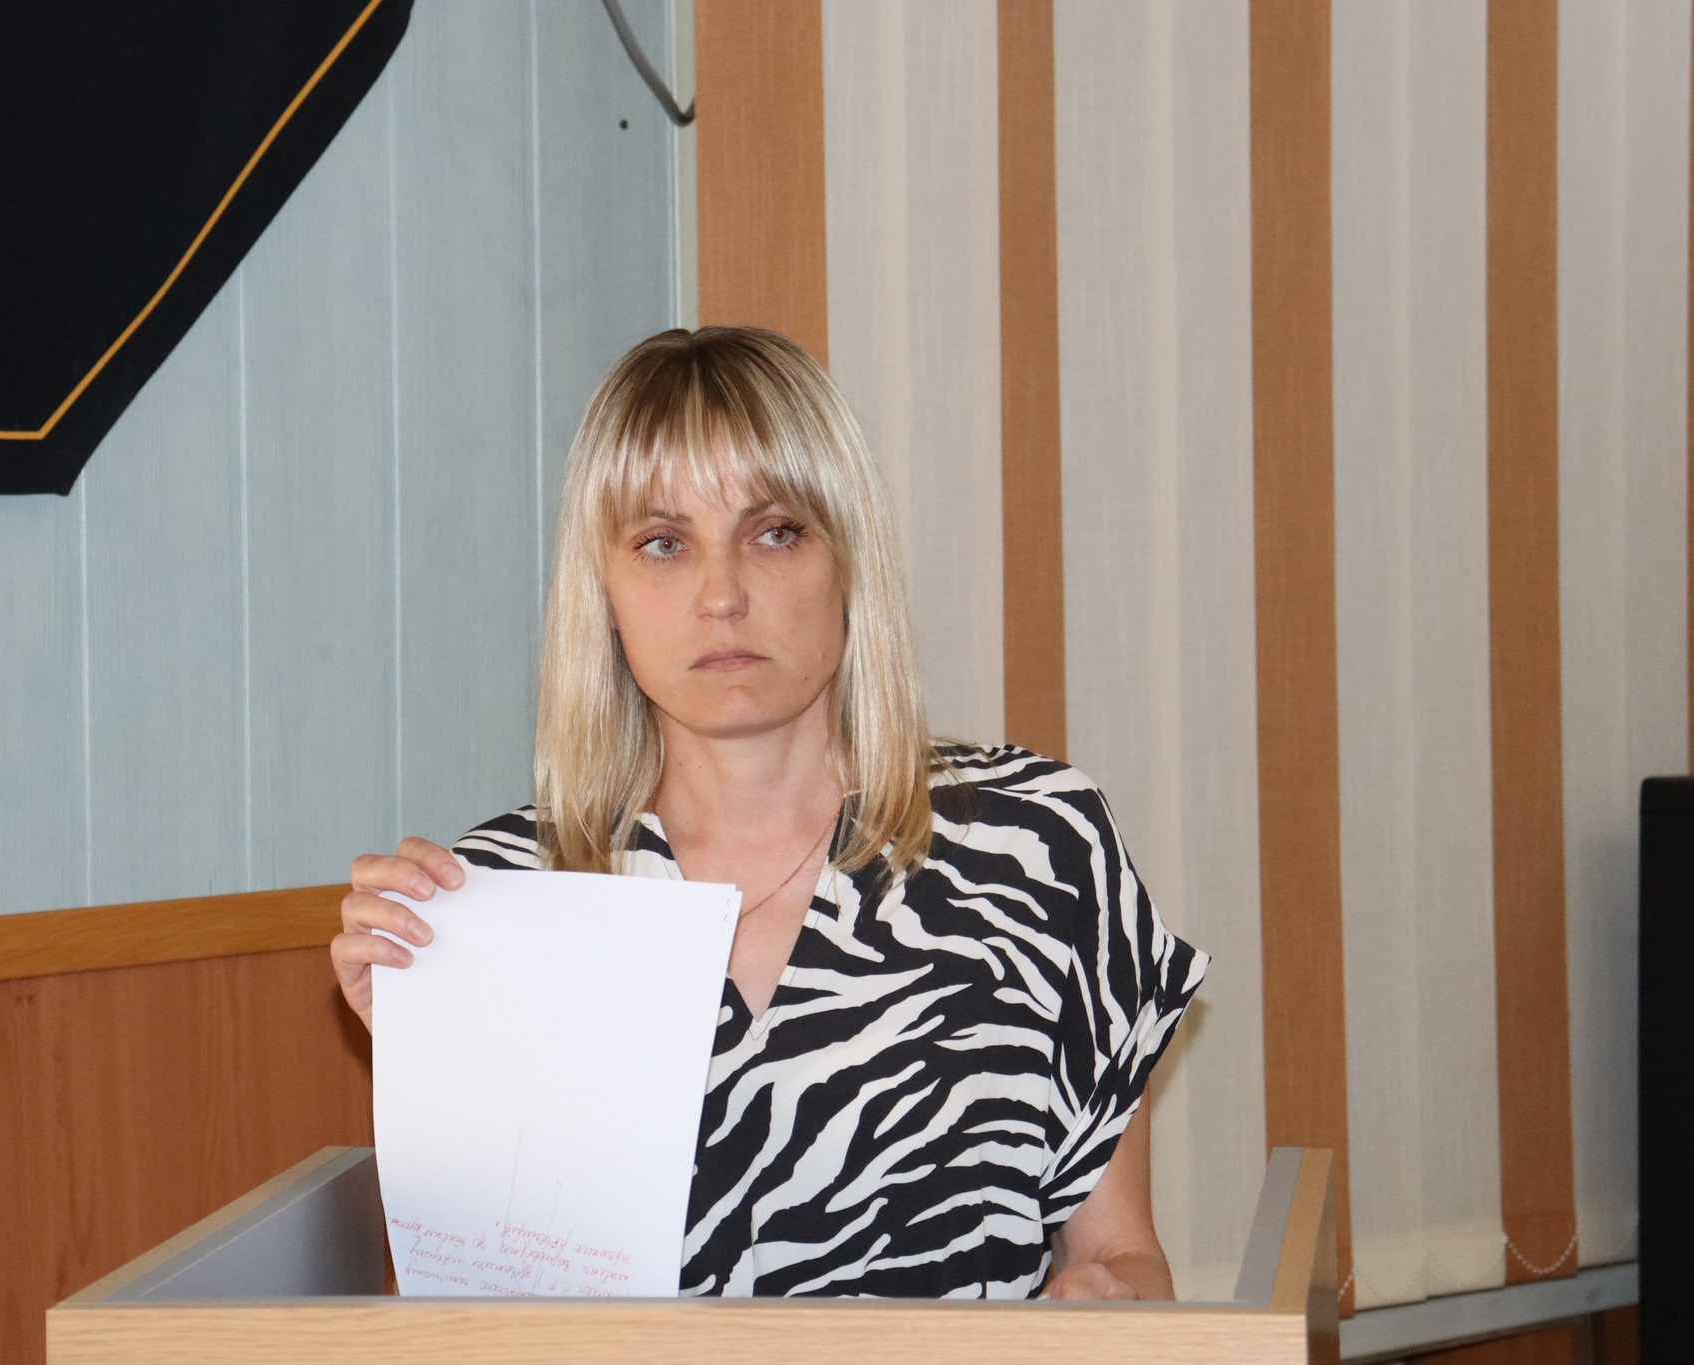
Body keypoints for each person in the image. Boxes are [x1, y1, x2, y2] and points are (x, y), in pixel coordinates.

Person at [331, 325, 1206, 1299]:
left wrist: (1099, 1308)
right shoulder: (500, 898)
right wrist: (428, 1043)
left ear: (847, 560)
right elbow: (488, 1316)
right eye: (663, 544)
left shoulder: (1036, 848)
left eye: (775, 531)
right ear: (603, 593)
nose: (722, 594)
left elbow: (1121, 1259)